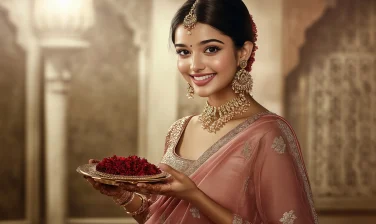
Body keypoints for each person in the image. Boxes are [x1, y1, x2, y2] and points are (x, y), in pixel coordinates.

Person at [85, 0, 319, 223]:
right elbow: (160, 217)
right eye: (184, 52)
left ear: (243, 52)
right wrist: (122, 195)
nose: (194, 65)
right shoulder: (179, 130)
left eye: (211, 49)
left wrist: (195, 196)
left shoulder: (268, 133)